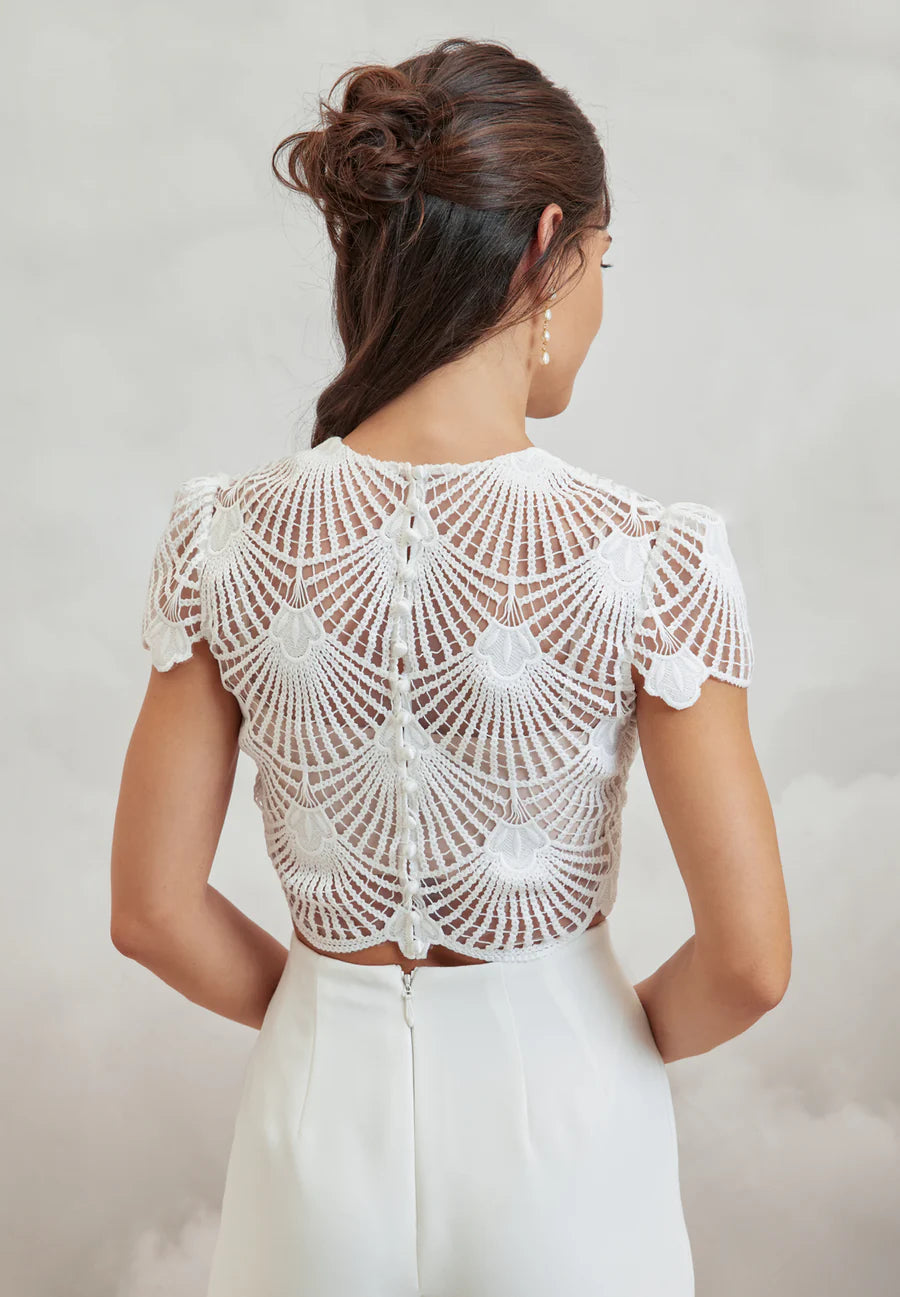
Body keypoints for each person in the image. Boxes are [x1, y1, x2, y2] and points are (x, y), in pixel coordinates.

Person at [110, 35, 790, 1297]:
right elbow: (749, 961)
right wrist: (588, 1038)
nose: (600, 297)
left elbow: (150, 911)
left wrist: (332, 1018)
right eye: (604, 261)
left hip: (313, 1119)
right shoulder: (653, 554)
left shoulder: (220, 535)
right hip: (568, 1113)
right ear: (545, 246)